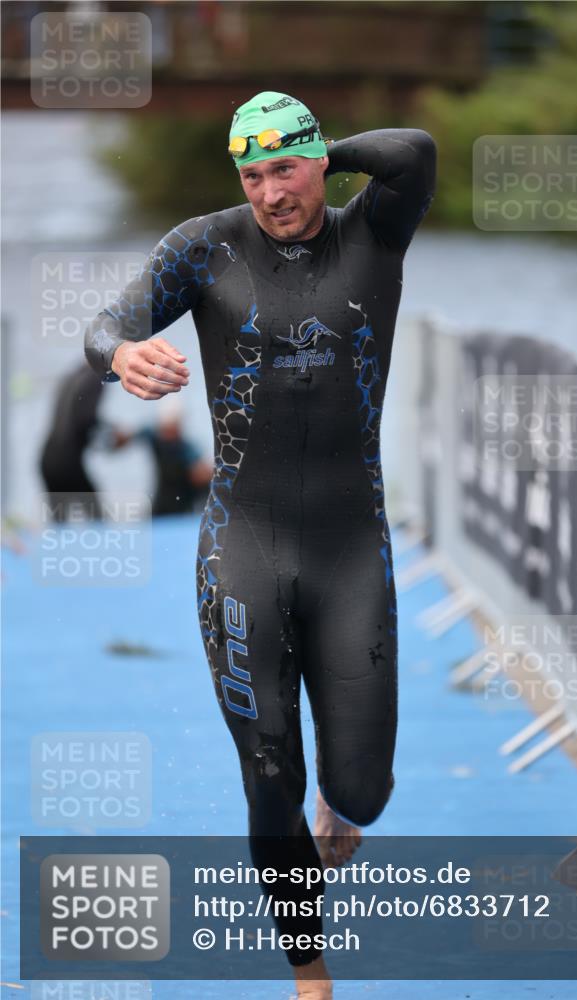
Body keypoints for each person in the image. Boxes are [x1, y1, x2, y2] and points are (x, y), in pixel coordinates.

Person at [85, 91, 436, 998]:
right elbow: (105, 327)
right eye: (252, 174)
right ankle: (307, 969)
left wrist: (322, 148)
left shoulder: (375, 234)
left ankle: (341, 810)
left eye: (286, 167)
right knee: (267, 773)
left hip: (351, 552)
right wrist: (122, 357)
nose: (271, 192)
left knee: (362, 789)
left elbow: (413, 149)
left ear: (321, 160)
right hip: (242, 550)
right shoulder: (202, 247)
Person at [114, 399, 212, 516]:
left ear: (179, 426)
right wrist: (118, 436)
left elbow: (201, 474)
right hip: (162, 501)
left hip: (184, 505)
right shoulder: (153, 435)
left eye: (173, 428)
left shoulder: (187, 448)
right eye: (166, 428)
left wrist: (207, 473)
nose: (168, 433)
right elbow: (124, 440)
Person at [39, 361, 106, 521]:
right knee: (97, 518)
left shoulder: (72, 375)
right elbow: (85, 420)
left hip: (47, 458)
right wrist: (110, 434)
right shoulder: (96, 378)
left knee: (59, 523)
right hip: (67, 462)